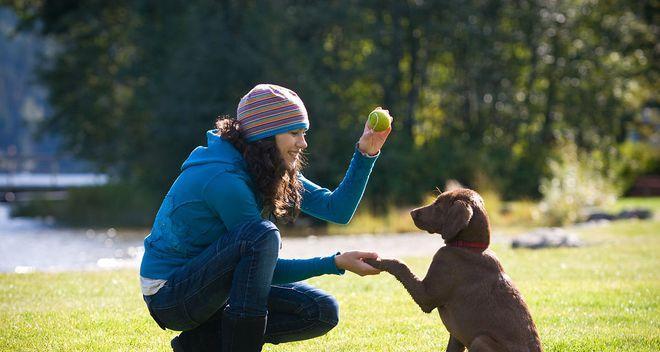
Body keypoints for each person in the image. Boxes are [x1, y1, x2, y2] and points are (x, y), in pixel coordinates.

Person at [139, 84, 392, 352]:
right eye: (294, 133)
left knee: (320, 311)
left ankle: (196, 345)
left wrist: (367, 152)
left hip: (213, 288)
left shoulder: (268, 166)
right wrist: (333, 262)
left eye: (303, 133)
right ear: (266, 136)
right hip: (170, 295)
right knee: (262, 234)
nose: (303, 143)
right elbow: (264, 264)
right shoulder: (224, 179)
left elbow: (336, 210)